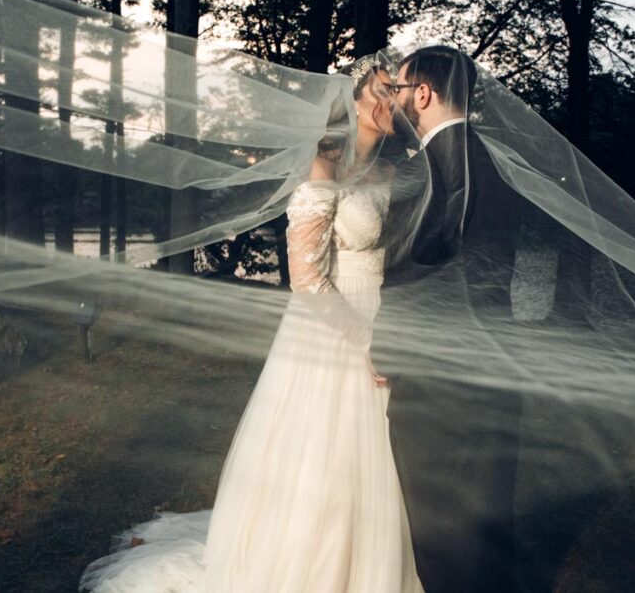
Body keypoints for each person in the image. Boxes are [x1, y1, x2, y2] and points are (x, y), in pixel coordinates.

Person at [79, 58, 425, 592]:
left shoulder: (390, 170)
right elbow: (307, 278)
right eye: (383, 91)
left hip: (379, 309)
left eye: (396, 91)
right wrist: (362, 339)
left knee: (376, 457)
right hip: (332, 324)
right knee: (326, 459)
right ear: (355, 97)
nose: (392, 102)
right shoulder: (324, 162)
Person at [381, 45, 525, 592]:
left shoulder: (425, 175)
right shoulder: (499, 162)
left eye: (398, 89)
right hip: (498, 359)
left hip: (438, 374)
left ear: (423, 93)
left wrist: (386, 351)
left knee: (438, 517)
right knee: (489, 509)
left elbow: (416, 279)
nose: (394, 99)